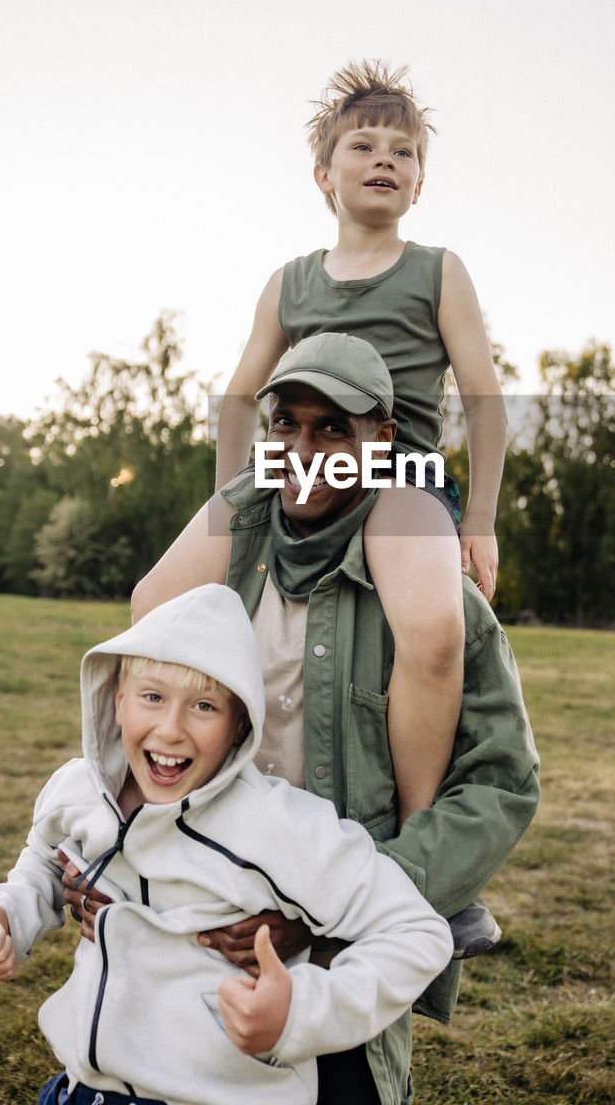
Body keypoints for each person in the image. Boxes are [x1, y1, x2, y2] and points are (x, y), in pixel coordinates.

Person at [123, 333, 539, 1105]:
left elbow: (502, 785)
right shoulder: (222, 573)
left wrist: (328, 914)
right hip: (198, 939)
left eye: (333, 429)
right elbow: (144, 713)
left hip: (342, 973)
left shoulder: (438, 604)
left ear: (381, 440)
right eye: (286, 424)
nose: (304, 451)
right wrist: (102, 866)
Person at [0, 583, 453, 1105]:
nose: (170, 730)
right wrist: (10, 915)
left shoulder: (275, 824)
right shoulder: (77, 790)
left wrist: (300, 1012)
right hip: (86, 1089)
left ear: (240, 725)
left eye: (204, 706)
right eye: (152, 697)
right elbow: (42, 863)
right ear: (118, 701)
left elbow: (415, 931)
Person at [215, 59, 507, 825]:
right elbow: (240, 399)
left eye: (404, 152)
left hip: (397, 472)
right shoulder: (289, 282)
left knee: (436, 635)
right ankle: (173, 813)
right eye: (364, 146)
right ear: (323, 174)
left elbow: (484, 402)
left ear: (420, 184)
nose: (386, 159)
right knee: (157, 602)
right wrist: (231, 501)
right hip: (292, 469)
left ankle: (416, 847)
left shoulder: (438, 272)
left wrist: (478, 518)